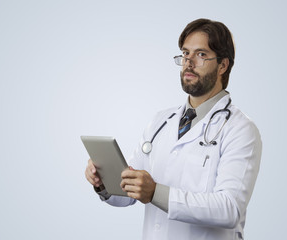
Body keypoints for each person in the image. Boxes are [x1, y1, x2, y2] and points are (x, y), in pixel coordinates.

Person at [85, 18, 262, 240]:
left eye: (201, 55)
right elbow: (128, 195)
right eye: (185, 53)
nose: (189, 62)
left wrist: (155, 193)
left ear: (223, 65)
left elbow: (229, 209)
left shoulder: (240, 129)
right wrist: (105, 183)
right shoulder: (160, 121)